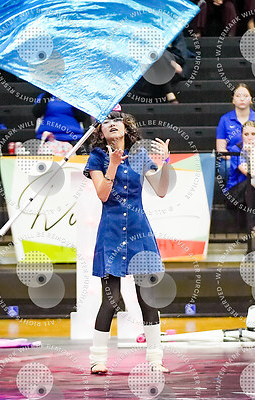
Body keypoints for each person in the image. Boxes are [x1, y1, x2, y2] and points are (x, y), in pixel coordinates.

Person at [84, 111, 171, 374]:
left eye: (116, 120)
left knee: (147, 296)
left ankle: (155, 359)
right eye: (106, 121)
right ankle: (98, 359)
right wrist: (112, 164)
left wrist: (166, 162)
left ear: (126, 126)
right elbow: (103, 195)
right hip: (111, 232)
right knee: (111, 299)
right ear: (100, 131)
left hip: (138, 230)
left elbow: (161, 190)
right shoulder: (97, 157)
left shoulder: (139, 155)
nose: (112, 124)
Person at [225, 121, 255, 236]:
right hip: (235, 193)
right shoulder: (236, 149)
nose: (250, 137)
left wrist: (254, 152)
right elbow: (249, 172)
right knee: (254, 180)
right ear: (242, 136)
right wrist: (251, 153)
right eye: (246, 134)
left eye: (253, 134)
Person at [216, 83, 255, 179]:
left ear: (251, 99)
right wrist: (237, 160)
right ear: (233, 100)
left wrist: (252, 159)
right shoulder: (225, 119)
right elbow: (221, 149)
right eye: (238, 96)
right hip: (232, 158)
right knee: (227, 166)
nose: (242, 99)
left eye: (245, 96)